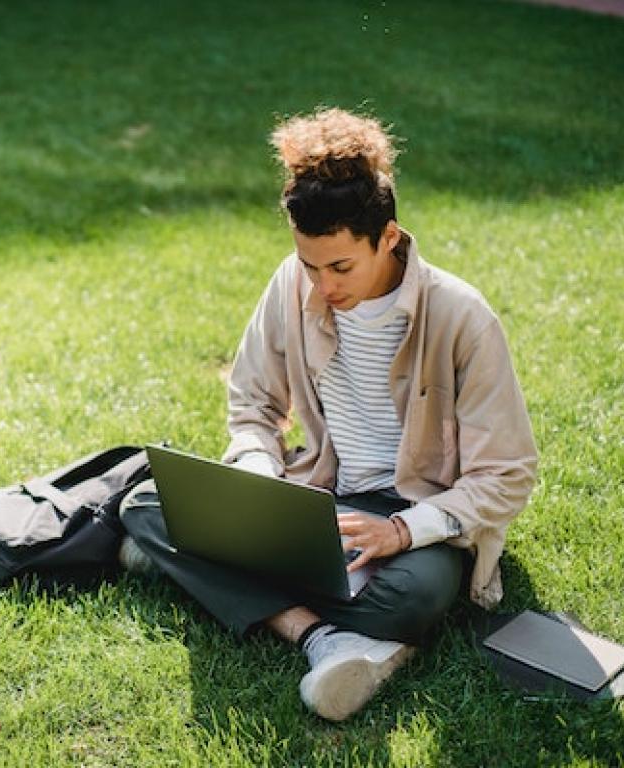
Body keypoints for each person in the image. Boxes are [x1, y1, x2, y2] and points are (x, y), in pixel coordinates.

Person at [118, 106, 537, 722]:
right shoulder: (292, 282)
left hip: (415, 518)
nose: (321, 286)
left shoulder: (462, 318)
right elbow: (253, 401)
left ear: (388, 238)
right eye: (309, 264)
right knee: (145, 503)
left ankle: (199, 569)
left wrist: (400, 531)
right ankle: (324, 638)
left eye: (340, 267)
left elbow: (507, 474)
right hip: (318, 497)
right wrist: (260, 471)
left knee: (415, 595)